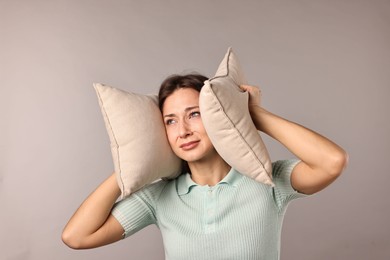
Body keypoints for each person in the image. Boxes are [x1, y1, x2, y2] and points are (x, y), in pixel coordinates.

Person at [62, 74, 348, 259]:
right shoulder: (158, 197)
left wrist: (251, 114)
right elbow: (76, 236)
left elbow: (332, 162)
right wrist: (132, 160)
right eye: (170, 121)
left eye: (194, 114)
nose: (183, 130)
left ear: (217, 117)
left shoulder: (267, 180)